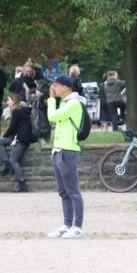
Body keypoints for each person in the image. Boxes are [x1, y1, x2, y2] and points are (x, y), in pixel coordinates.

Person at [46, 75, 86, 239]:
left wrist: (50, 100)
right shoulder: (64, 103)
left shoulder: (74, 103)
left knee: (73, 191)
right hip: (57, 151)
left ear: (65, 87)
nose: (53, 88)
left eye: (55, 85)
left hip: (68, 151)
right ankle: (67, 224)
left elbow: (52, 117)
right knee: (63, 192)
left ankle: (77, 226)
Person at [0, 92, 34, 193]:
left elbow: (12, 127)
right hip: (16, 137)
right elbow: (15, 128)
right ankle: (6, 163)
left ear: (13, 101)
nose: (7, 102)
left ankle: (22, 184)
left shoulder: (17, 111)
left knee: (13, 159)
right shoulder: (18, 110)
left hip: (22, 139)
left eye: (8, 100)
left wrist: (5, 135)